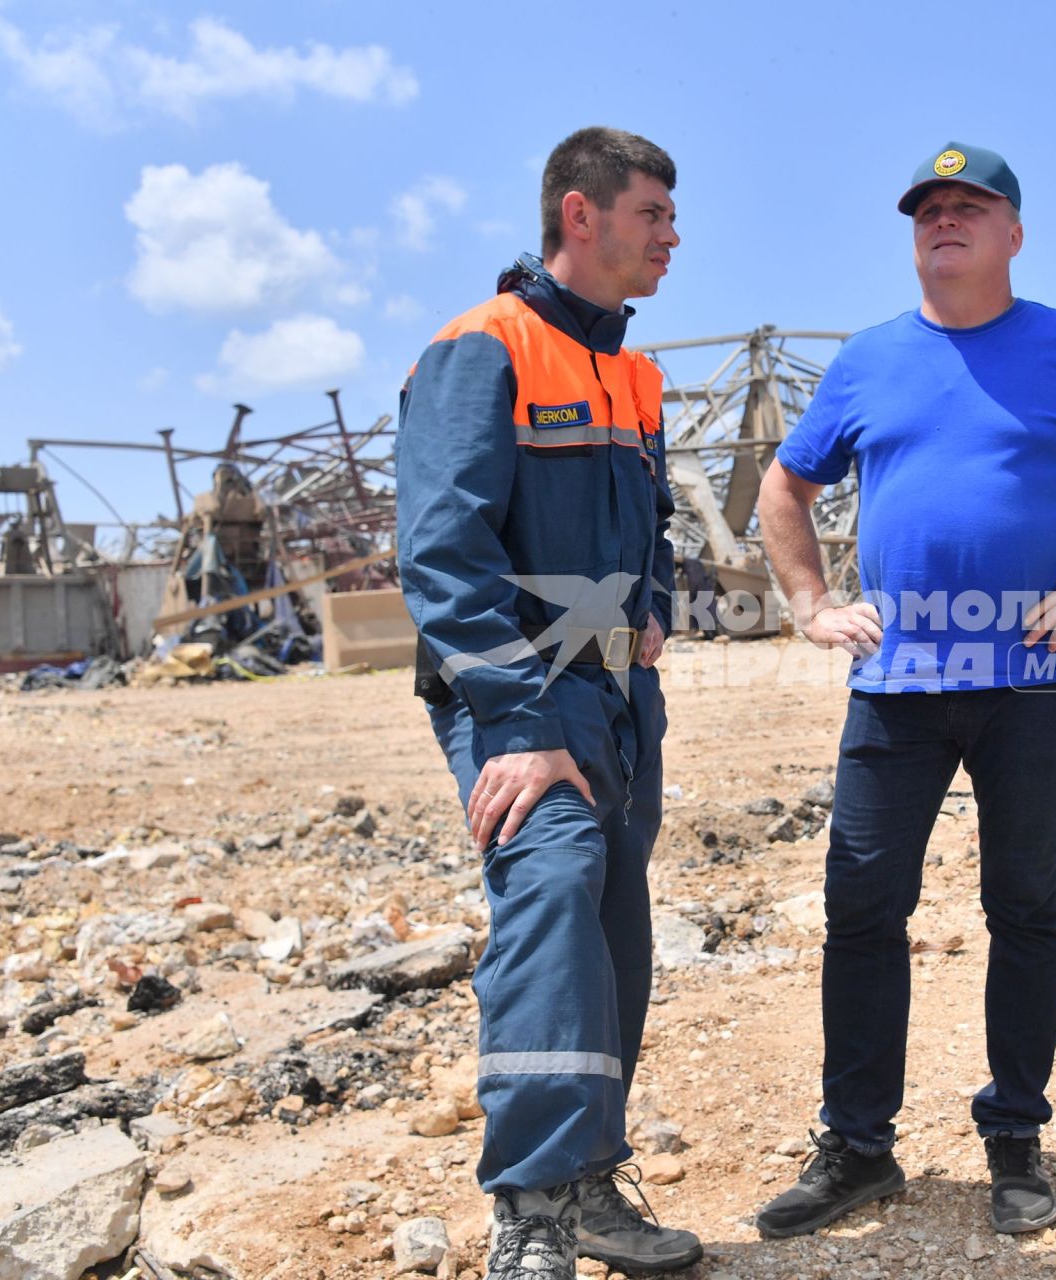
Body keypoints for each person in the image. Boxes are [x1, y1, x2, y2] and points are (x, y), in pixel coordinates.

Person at [753, 141, 1056, 1240]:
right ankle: (859, 1145)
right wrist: (813, 600)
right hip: (897, 681)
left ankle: (1014, 1136)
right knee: (862, 909)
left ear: (1013, 232)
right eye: (928, 210)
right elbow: (786, 481)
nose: (944, 222)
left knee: (1025, 906)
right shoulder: (868, 360)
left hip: (1033, 685)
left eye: (970, 207)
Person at [396, 126, 702, 1280]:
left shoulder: (632, 369)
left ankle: (588, 1180)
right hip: (518, 694)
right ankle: (529, 1202)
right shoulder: (484, 348)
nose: (673, 236)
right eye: (654, 213)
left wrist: (659, 603)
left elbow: (655, 521)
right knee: (555, 885)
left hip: (619, 690)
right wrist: (519, 725)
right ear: (581, 214)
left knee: (617, 927)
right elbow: (440, 551)